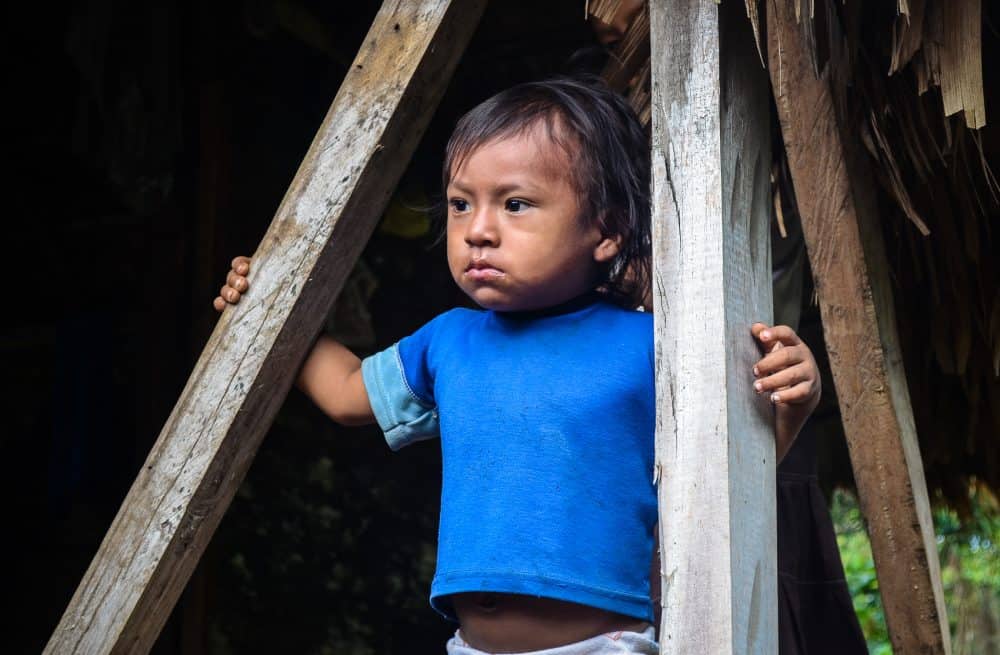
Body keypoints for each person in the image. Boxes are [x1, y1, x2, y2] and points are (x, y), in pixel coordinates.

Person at [213, 78, 821, 655]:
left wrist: (793, 399)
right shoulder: (450, 342)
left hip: (602, 646)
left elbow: (731, 476)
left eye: (516, 204)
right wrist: (267, 309)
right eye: (459, 204)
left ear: (605, 230)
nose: (478, 230)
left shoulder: (654, 346)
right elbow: (345, 393)